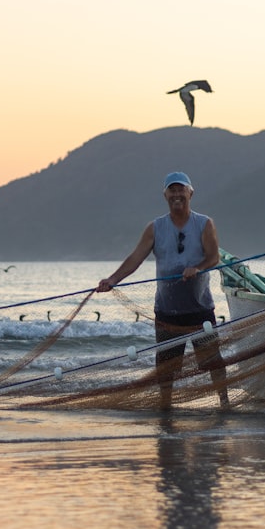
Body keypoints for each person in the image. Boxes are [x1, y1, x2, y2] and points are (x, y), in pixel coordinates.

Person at [97, 172, 229, 409]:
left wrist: (196, 268)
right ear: (165, 195)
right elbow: (135, 258)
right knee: (166, 367)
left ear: (191, 193)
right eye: (172, 190)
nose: (177, 195)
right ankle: (165, 409)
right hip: (167, 311)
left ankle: (224, 403)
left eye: (181, 190)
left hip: (200, 309)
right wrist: (112, 279)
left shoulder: (204, 223)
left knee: (213, 361)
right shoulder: (155, 228)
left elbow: (214, 258)